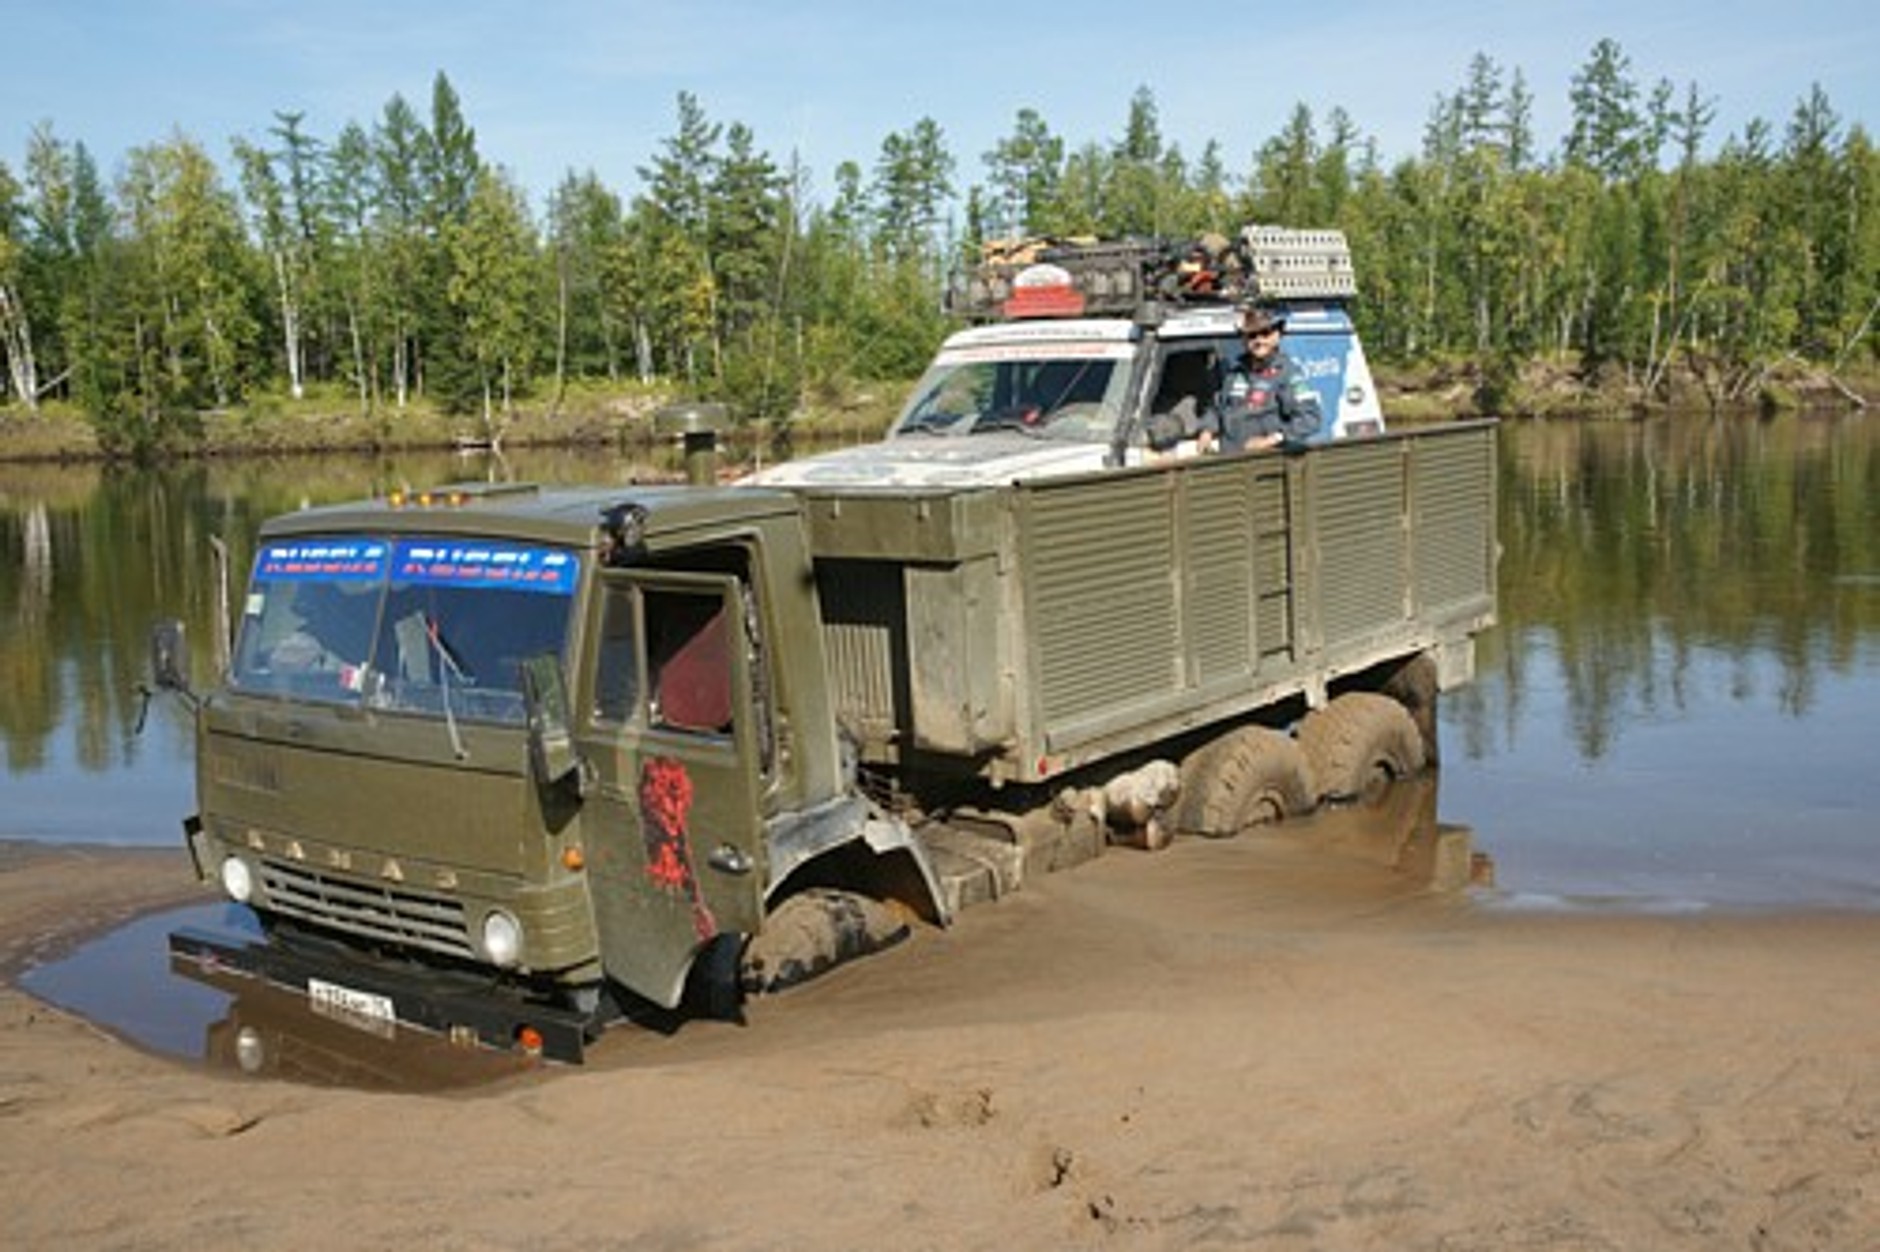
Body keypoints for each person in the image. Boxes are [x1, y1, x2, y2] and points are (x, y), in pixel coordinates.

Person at [1199, 303, 1322, 453]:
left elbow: (1310, 418)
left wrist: (1271, 440)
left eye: (1265, 333)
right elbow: (1219, 406)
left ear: (1276, 336)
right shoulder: (1236, 373)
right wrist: (1207, 430)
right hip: (1233, 463)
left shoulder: (1286, 374)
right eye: (1252, 335)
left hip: (1266, 464)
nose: (1258, 340)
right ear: (1244, 340)